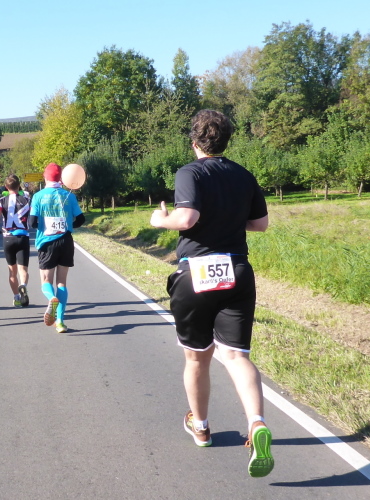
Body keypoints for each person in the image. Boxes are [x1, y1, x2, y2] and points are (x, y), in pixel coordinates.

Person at [149, 109, 273, 478]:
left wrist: (160, 219)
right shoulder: (244, 174)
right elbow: (261, 224)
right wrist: (227, 218)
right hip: (237, 269)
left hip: (197, 271)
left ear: (194, 142)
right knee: (235, 356)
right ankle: (257, 423)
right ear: (226, 140)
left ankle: (200, 427)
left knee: (197, 358)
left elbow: (186, 219)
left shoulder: (190, 172)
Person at [29, 163, 84, 333]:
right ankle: (60, 322)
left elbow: (32, 222)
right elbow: (81, 219)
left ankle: (51, 298)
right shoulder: (69, 196)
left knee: (46, 281)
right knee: (61, 282)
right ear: (61, 178)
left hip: (47, 242)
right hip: (66, 240)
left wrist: (43, 226)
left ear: (45, 177)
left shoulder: (38, 196)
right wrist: (68, 225)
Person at [0, 174, 31, 307]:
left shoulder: (1, 201)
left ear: (6, 187)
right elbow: (33, 216)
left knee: (12, 271)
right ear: (19, 185)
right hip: (23, 237)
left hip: (8, 238)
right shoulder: (27, 200)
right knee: (23, 269)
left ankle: (16, 297)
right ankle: (23, 285)